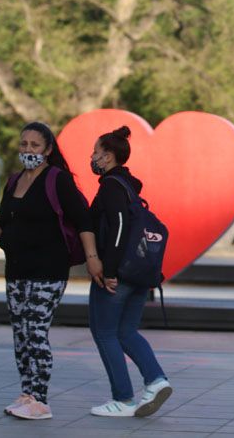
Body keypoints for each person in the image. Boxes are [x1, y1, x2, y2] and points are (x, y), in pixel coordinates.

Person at [0, 122, 102, 420]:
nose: (28, 150)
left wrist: (92, 258)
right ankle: (27, 393)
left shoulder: (57, 180)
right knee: (21, 335)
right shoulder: (14, 181)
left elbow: (83, 220)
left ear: (48, 150)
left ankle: (41, 400)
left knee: (35, 331)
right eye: (24, 144)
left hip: (48, 270)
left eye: (35, 145)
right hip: (17, 269)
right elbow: (3, 218)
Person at [87, 126, 173, 418]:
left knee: (104, 333)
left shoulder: (111, 186)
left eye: (96, 152)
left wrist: (109, 270)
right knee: (125, 332)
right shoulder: (129, 187)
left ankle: (122, 399)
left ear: (108, 156)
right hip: (139, 273)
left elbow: (120, 226)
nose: (93, 157)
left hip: (118, 273)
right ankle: (156, 380)